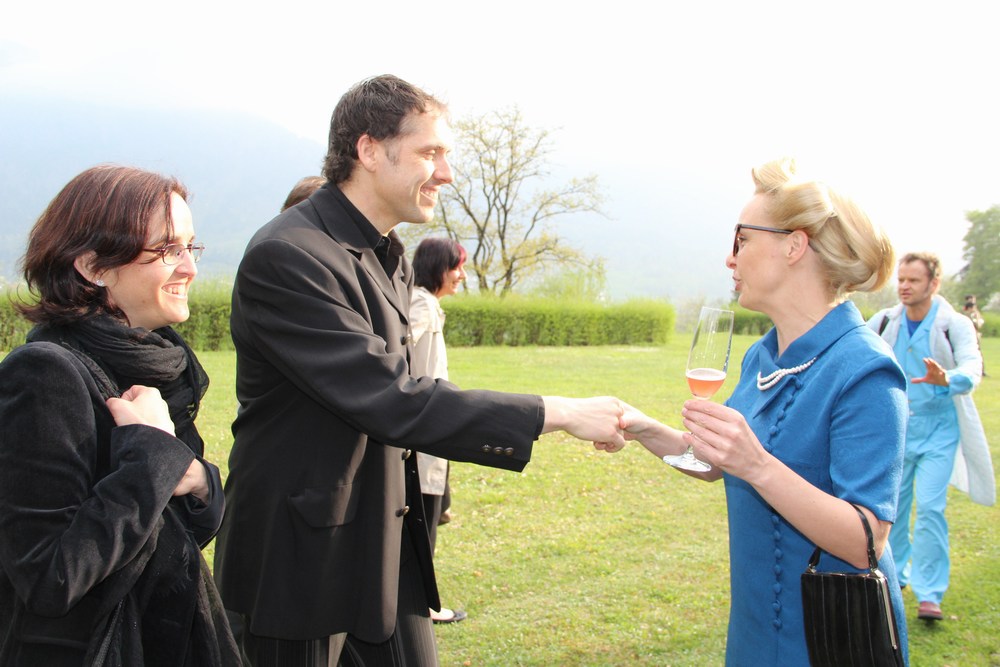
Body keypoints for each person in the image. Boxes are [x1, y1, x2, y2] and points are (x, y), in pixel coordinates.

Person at [214, 74, 626, 667]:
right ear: (369, 150)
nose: (447, 174)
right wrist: (554, 412)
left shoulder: (389, 254)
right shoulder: (290, 254)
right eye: (430, 153)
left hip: (385, 548)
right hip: (299, 562)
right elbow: (392, 397)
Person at [617, 158, 910, 665]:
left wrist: (756, 465)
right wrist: (640, 427)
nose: (729, 259)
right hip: (754, 631)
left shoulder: (866, 370)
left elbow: (866, 540)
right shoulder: (764, 355)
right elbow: (720, 460)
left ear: (794, 246)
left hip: (827, 639)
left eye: (742, 240)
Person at [0, 165, 241, 665]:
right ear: (94, 266)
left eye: (190, 247)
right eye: (167, 249)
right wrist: (153, 456)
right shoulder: (45, 375)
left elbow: (174, 531)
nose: (190, 268)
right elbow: (49, 579)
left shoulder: (155, 367)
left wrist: (198, 479)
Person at [868, 253, 995, 622]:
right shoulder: (886, 320)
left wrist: (949, 378)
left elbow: (972, 365)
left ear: (934, 284)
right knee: (892, 510)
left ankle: (930, 593)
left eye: (914, 280)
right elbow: (855, 345)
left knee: (930, 507)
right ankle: (897, 576)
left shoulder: (954, 324)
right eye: (901, 280)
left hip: (940, 431)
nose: (905, 287)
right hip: (896, 430)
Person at [410, 236, 467, 624]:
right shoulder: (421, 304)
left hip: (431, 432)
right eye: (456, 267)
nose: (461, 276)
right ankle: (422, 607)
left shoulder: (426, 303)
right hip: (421, 434)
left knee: (434, 509)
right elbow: (394, 353)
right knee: (423, 523)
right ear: (437, 268)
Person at [963, 294, 986, 375]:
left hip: (975, 334)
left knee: (977, 352)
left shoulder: (975, 313)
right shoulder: (966, 314)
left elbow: (980, 323)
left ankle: (981, 370)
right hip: (969, 335)